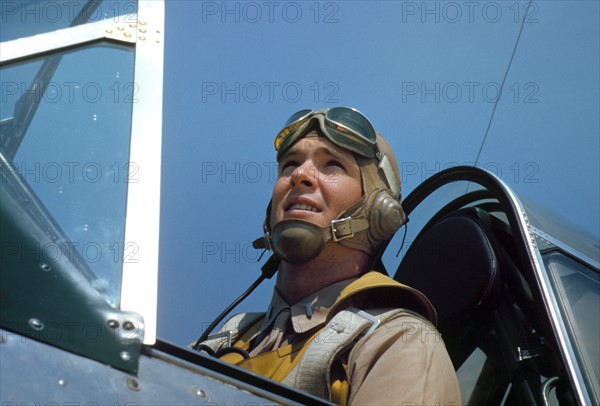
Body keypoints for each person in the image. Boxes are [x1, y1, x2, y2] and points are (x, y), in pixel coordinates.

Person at [197, 107, 461, 405]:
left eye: (332, 165)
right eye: (290, 165)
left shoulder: (397, 340)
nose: (299, 175)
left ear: (379, 213)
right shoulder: (223, 340)